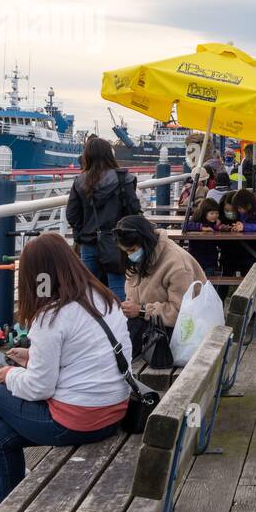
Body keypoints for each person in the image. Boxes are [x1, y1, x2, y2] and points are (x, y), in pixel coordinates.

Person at [0, 233, 130, 502]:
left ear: (35, 276)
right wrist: (33, 356)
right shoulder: (101, 297)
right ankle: (5, 507)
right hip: (115, 411)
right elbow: (83, 354)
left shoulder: (51, 314)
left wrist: (10, 374)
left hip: (79, 421)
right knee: (3, 436)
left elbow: (40, 387)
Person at [114, 215, 208, 363]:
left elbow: (181, 313)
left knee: (115, 355)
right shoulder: (142, 258)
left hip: (177, 333)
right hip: (150, 325)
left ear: (145, 242)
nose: (130, 255)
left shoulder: (177, 264)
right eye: (126, 251)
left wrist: (142, 310)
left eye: (132, 250)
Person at [66, 136, 141, 299]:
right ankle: (120, 322)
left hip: (89, 241)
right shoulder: (123, 178)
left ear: (87, 156)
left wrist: (83, 231)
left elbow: (71, 215)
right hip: (117, 242)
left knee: (89, 289)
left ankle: (94, 322)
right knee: (118, 286)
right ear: (109, 155)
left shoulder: (80, 181)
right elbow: (134, 209)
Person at [183, 196, 225, 275]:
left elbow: (219, 243)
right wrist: (201, 227)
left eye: (217, 213)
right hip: (195, 256)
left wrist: (218, 228)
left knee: (209, 278)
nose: (215, 215)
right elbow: (185, 226)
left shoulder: (216, 224)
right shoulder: (197, 220)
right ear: (204, 213)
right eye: (211, 213)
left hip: (211, 259)